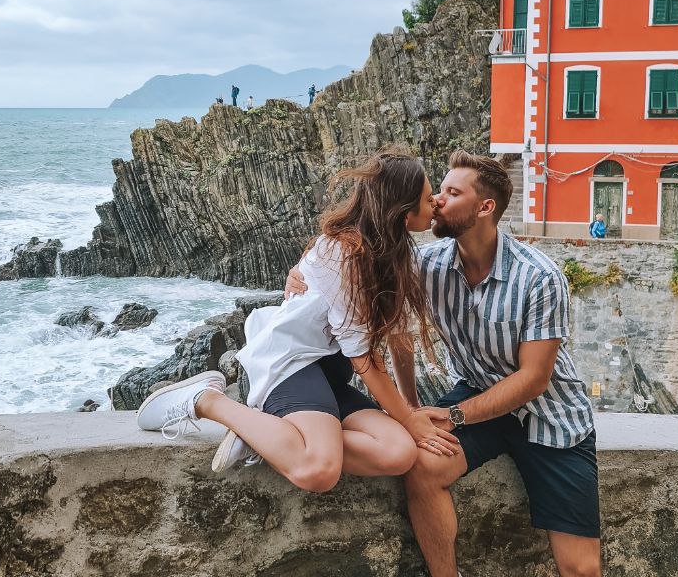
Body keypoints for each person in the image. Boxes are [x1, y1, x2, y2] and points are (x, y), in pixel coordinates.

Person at [286, 150, 627, 577]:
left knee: (581, 571)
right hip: (475, 404)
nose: (435, 202)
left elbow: (535, 378)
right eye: (435, 192)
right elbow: (384, 314)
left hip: (549, 418)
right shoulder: (429, 264)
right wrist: (302, 275)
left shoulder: (539, 276)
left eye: (449, 192)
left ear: (485, 206)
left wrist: (450, 411)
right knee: (423, 465)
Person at [136, 150, 452, 497]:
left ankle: (270, 435)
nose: (436, 202)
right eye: (428, 197)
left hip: (328, 371)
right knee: (319, 469)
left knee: (399, 452)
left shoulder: (400, 257)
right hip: (289, 362)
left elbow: (399, 339)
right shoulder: (344, 254)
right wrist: (408, 419)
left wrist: (412, 409)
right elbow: (365, 361)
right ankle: (206, 401)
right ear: (404, 215)